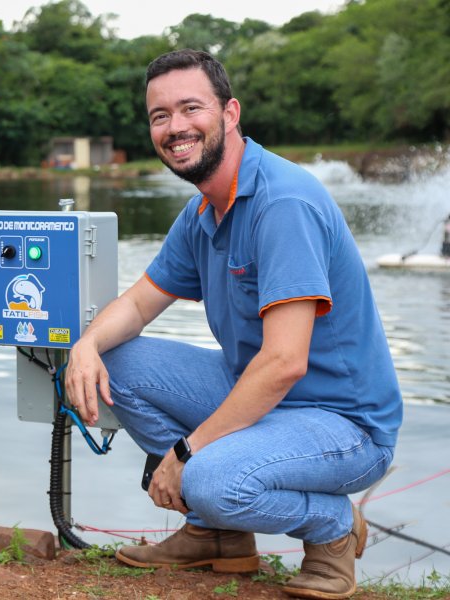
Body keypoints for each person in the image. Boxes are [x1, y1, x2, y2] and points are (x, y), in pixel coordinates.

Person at [65, 50, 402, 600]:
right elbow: (139, 304)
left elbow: (284, 362)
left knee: (207, 477)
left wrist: (184, 453)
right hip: (268, 400)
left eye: (190, 108)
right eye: (159, 115)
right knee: (116, 362)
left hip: (344, 424)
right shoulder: (203, 210)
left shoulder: (283, 203)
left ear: (230, 113)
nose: (175, 127)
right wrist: (86, 346)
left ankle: (332, 530)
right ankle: (217, 535)